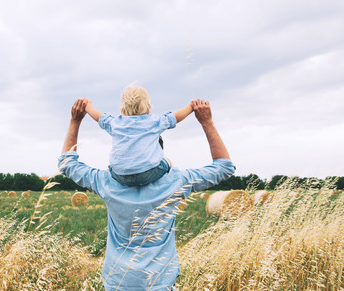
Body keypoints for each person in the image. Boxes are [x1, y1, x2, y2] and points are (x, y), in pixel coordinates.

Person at [58, 98, 235, 290]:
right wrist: (206, 121)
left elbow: (67, 164)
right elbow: (224, 167)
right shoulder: (175, 181)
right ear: (158, 154)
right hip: (159, 282)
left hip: (118, 283)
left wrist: (75, 121)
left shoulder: (106, 182)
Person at [84, 85, 193, 186]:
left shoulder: (115, 123)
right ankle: (172, 187)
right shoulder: (154, 122)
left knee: (114, 166)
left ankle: (116, 167)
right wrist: (191, 106)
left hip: (120, 175)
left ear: (123, 107)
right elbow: (175, 118)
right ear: (148, 106)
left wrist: (87, 106)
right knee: (168, 162)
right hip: (148, 173)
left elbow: (99, 117)